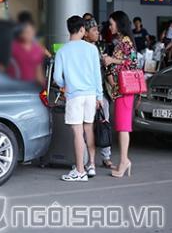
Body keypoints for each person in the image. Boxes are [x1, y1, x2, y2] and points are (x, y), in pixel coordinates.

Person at [53, 15, 103, 182]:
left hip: (74, 95)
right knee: (89, 129)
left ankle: (79, 171)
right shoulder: (92, 49)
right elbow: (97, 75)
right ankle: (91, 165)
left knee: (77, 132)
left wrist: (64, 85)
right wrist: (99, 96)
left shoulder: (62, 51)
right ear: (82, 30)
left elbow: (57, 77)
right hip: (90, 95)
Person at [102, 11, 138, 178]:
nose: (110, 27)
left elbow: (132, 63)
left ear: (119, 23)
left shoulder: (125, 41)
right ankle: (124, 160)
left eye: (111, 23)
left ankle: (124, 161)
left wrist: (111, 60)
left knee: (123, 127)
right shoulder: (122, 41)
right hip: (121, 89)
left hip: (124, 89)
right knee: (122, 126)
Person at [83, 17, 114, 169]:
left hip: (100, 91)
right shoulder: (82, 48)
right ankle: (87, 158)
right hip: (88, 91)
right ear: (86, 33)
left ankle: (106, 156)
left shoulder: (101, 47)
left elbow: (105, 69)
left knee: (104, 123)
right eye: (94, 30)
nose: (97, 32)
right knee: (87, 126)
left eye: (97, 29)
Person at [5, 12, 46, 87]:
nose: (29, 34)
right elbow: (2, 68)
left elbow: (39, 71)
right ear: (21, 33)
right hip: (13, 86)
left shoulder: (37, 49)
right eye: (26, 32)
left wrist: (43, 89)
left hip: (31, 87)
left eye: (31, 32)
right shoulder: (13, 47)